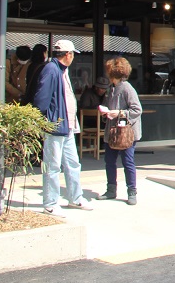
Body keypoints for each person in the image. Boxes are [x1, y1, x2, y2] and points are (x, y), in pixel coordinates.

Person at [31, 39, 91, 215]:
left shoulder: (61, 70)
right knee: (53, 165)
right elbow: (42, 98)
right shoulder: (51, 69)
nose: (73, 57)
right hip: (56, 125)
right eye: (72, 54)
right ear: (68, 54)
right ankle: (50, 203)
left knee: (73, 163)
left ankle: (75, 197)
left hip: (67, 126)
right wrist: (45, 120)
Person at [98, 57, 142, 205]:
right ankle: (111, 189)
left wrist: (118, 113)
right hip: (113, 131)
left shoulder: (127, 88)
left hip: (126, 132)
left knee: (127, 161)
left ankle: (132, 191)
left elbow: (137, 110)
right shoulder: (111, 89)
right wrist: (106, 113)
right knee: (109, 160)